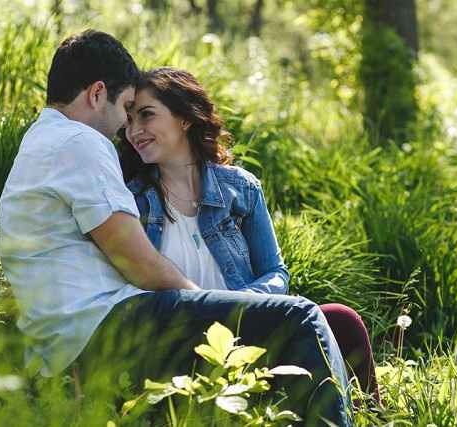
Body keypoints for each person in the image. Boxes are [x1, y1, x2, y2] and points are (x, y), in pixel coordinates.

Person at [0, 30, 351, 426]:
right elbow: (137, 263)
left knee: (333, 322)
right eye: (126, 108)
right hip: (105, 325)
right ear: (98, 93)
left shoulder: (43, 139)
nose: (123, 129)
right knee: (302, 317)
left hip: (77, 332)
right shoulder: (80, 141)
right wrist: (212, 309)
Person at [120, 66, 380, 402]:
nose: (134, 130)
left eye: (146, 115)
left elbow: (276, 272)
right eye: (128, 120)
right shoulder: (129, 201)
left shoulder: (241, 188)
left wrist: (245, 303)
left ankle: (368, 417)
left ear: (184, 118)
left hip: (247, 330)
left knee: (341, 322)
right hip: (180, 344)